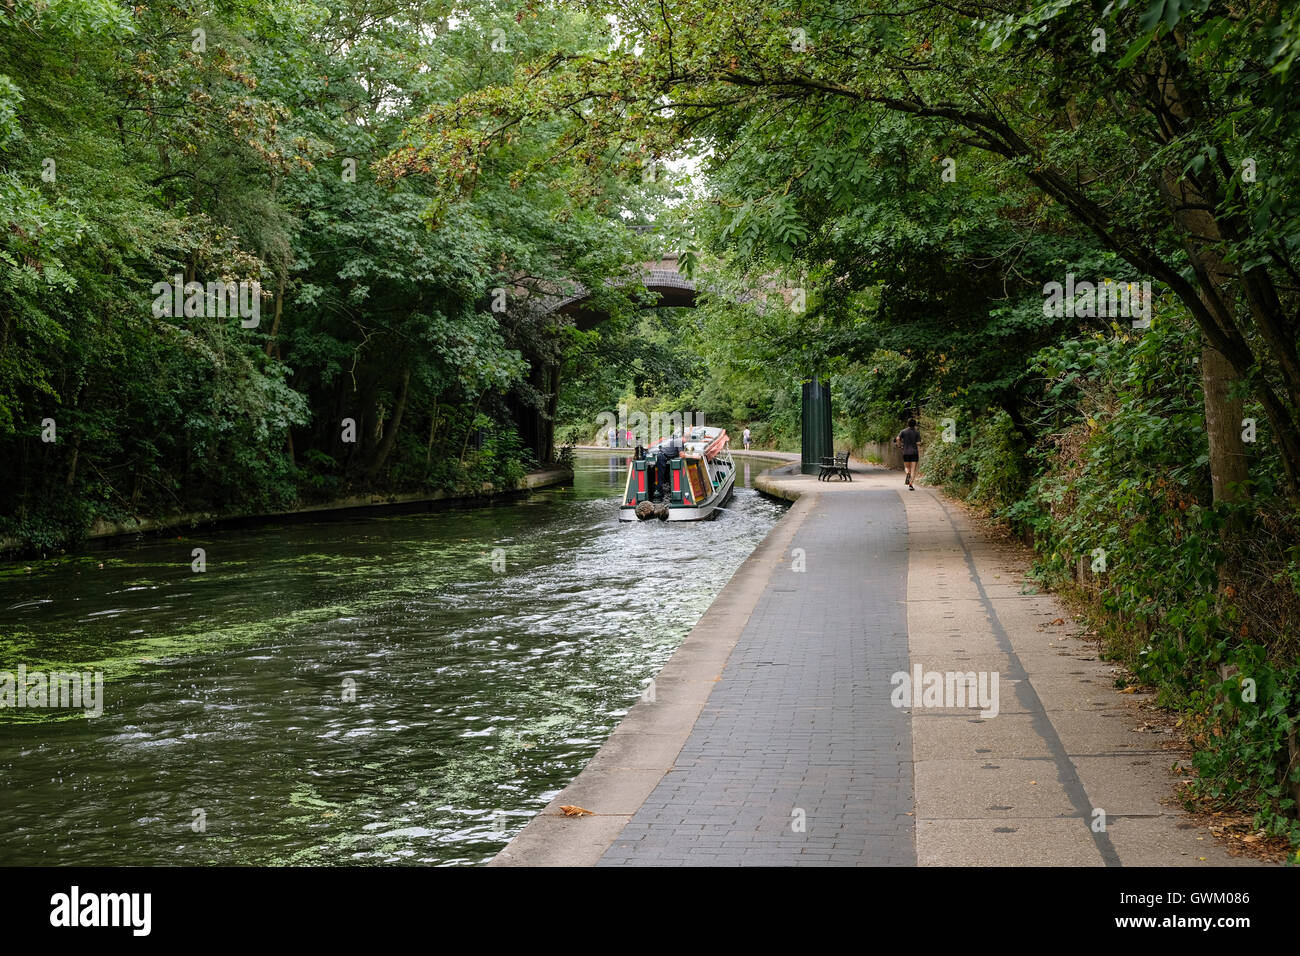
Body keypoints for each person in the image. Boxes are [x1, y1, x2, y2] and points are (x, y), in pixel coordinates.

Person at [895, 419, 921, 490]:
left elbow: (897, 438)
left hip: (906, 452)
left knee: (907, 468)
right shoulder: (917, 432)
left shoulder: (903, 431)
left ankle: (907, 474)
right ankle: (911, 484)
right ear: (915, 424)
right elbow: (918, 443)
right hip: (914, 453)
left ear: (908, 424)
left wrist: (899, 445)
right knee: (913, 469)